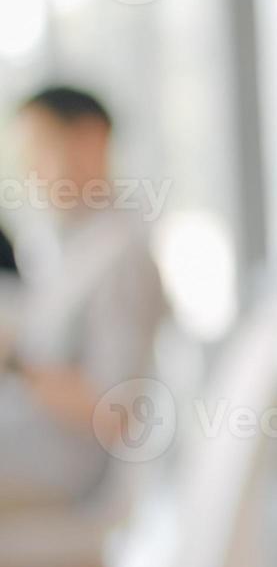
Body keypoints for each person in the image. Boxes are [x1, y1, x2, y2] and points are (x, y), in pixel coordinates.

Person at [0, 86, 168, 510]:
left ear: (91, 139)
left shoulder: (120, 256)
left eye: (39, 147)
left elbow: (112, 413)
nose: (28, 168)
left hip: (64, 467)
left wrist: (15, 362)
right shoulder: (71, 247)